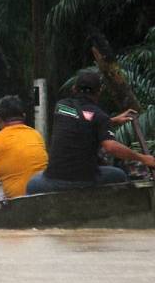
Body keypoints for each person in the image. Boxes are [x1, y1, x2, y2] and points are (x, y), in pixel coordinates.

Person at [26, 71, 155, 194]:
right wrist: (143, 158)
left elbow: (81, 119)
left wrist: (112, 121)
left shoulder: (61, 107)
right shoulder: (99, 116)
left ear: (74, 89)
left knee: (32, 183)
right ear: (99, 92)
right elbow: (110, 146)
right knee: (119, 175)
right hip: (83, 181)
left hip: (53, 178)